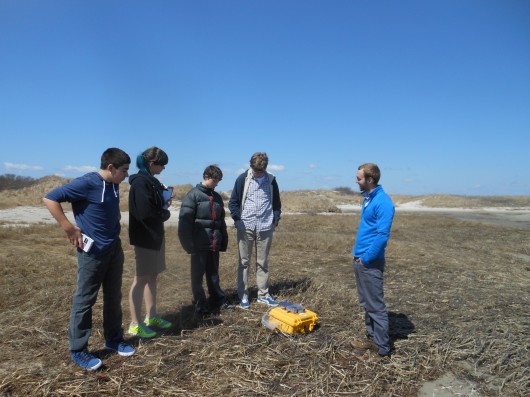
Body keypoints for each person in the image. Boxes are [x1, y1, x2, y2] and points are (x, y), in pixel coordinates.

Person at [43, 148, 134, 371]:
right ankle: (78, 350)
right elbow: (50, 198)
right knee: (85, 300)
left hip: (113, 249)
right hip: (92, 253)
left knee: (113, 296)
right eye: (124, 170)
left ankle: (113, 338)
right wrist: (68, 228)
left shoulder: (114, 185)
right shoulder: (86, 183)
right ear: (110, 168)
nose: (126, 175)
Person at [350, 163, 395, 359]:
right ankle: (372, 338)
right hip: (360, 259)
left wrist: (366, 259)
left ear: (370, 180)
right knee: (366, 303)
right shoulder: (368, 199)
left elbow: (382, 236)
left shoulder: (383, 203)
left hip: (370, 262)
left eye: (359, 178)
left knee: (375, 305)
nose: (356, 181)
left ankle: (383, 348)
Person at [127, 147, 172, 339]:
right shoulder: (140, 183)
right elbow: (145, 213)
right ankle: (135, 324)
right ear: (152, 164)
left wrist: (164, 201)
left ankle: (151, 316)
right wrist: (165, 212)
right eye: (162, 165)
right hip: (145, 238)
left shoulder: (151, 182)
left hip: (155, 236)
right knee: (141, 279)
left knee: (152, 276)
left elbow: (152, 206)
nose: (163, 169)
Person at [228, 152, 282, 310]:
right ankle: (243, 295)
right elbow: (233, 202)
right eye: (255, 170)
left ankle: (263, 294)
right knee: (244, 262)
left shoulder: (271, 180)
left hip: (265, 226)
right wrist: (238, 220)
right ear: (251, 166)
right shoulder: (242, 179)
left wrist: (275, 220)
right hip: (246, 226)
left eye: (261, 170)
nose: (258, 173)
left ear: (265, 167)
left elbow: (277, 204)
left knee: (263, 262)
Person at [178, 165, 230, 315]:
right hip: (198, 245)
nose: (217, 184)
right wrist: (188, 245)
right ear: (206, 177)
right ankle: (200, 304)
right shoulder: (192, 196)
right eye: (215, 181)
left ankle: (217, 300)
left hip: (213, 243)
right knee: (197, 277)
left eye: (218, 181)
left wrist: (223, 240)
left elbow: (221, 222)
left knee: (213, 274)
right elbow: (184, 223)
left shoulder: (218, 197)